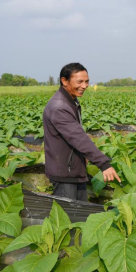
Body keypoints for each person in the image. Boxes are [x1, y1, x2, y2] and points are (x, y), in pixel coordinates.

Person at [43, 62, 121, 201]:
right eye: (80, 81)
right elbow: (78, 138)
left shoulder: (70, 101)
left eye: (87, 81)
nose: (84, 86)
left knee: (80, 215)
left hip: (73, 169)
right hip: (64, 174)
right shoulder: (59, 107)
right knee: (67, 218)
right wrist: (103, 164)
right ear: (64, 81)